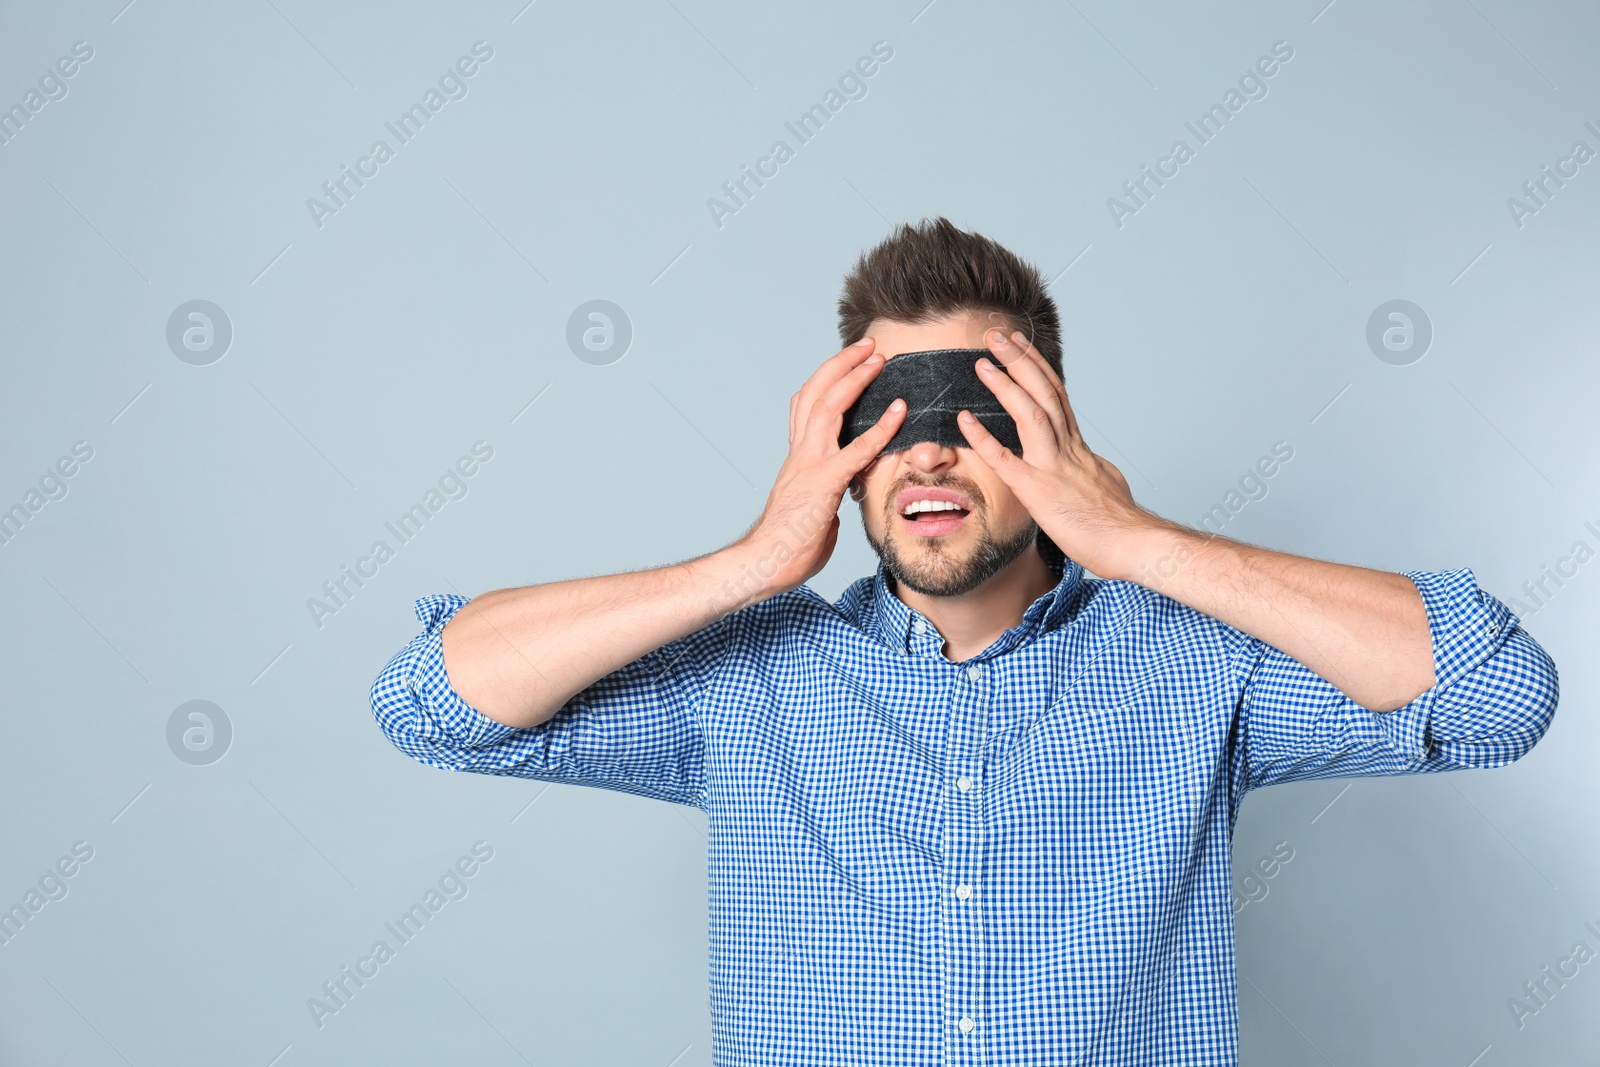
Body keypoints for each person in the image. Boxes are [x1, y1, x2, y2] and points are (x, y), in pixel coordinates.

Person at [369, 217, 1559, 1065]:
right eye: (887, 421)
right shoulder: (746, 680)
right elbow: (432, 700)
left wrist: (1135, 539)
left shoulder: (1200, 663)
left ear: (1046, 431)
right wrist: (751, 561)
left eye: (970, 418)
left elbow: (1497, 693)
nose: (929, 454)